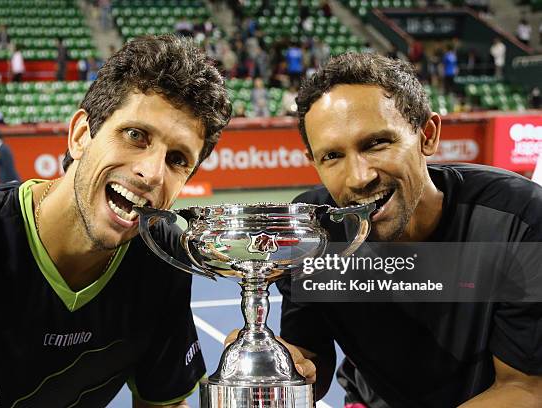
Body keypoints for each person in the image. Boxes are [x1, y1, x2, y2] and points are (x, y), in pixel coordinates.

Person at [0, 35, 232, 407]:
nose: (152, 172)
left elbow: (163, 403)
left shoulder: (164, 257)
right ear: (80, 136)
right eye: (135, 135)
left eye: (177, 159)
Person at [227, 52, 542, 407]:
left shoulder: (518, 220)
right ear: (313, 162)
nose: (360, 177)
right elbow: (314, 369)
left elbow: (526, 388)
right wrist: (280, 365)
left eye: (376, 143)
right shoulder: (314, 231)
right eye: (332, 156)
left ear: (427, 135)